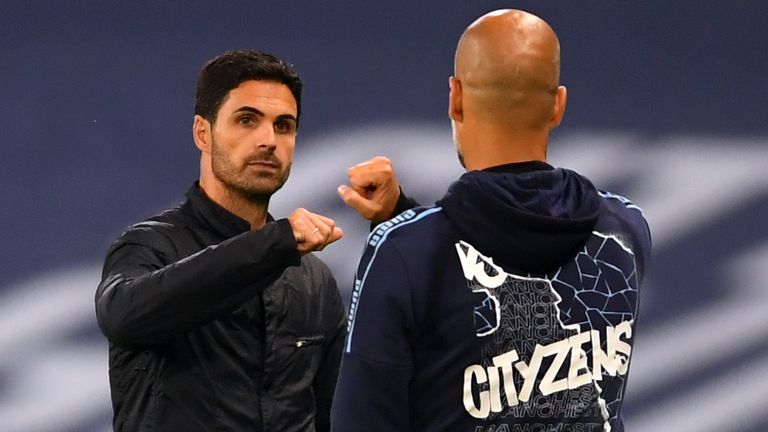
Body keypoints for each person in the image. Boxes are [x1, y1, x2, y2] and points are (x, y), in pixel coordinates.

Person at [332, 9, 652, 432]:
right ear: (558, 105)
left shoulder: (402, 251)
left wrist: (402, 230)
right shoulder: (626, 230)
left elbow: (361, 422)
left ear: (456, 98)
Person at [95, 50, 346, 432]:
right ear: (203, 132)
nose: (268, 140)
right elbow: (123, 318)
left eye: (284, 126)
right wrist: (274, 246)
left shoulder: (314, 280)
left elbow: (330, 416)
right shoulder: (148, 247)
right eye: (247, 120)